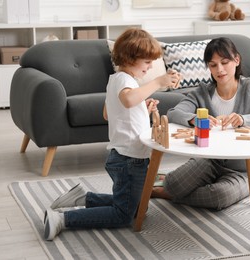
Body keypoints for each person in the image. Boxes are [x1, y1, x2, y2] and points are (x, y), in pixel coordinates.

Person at [43, 28, 181, 240]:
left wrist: (141, 106)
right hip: (130, 159)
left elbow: (109, 113)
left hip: (125, 156)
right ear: (130, 57)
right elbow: (126, 101)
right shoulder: (125, 81)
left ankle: (83, 198)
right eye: (147, 62)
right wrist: (158, 83)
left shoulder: (117, 80)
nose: (151, 66)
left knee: (137, 208)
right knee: (124, 215)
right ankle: (63, 219)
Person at [151, 37, 250, 210]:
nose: (220, 69)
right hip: (208, 162)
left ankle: (166, 194)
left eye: (225, 62)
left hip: (241, 171)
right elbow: (173, 113)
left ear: (236, 60)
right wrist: (194, 119)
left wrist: (245, 119)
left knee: (218, 197)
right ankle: (171, 188)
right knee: (172, 183)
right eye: (213, 65)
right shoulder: (201, 92)